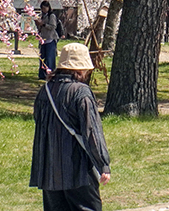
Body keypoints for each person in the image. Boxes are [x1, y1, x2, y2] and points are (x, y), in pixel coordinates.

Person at [31, 42, 111, 211]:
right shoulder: (81, 92)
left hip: (49, 167)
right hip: (77, 168)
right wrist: (103, 163)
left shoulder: (44, 90)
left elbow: (38, 121)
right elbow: (91, 131)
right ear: (81, 70)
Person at [38, 1, 63, 79]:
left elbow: (53, 26)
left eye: (45, 8)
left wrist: (44, 24)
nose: (44, 10)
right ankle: (42, 74)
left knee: (50, 57)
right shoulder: (42, 16)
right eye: (42, 8)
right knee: (42, 57)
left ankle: (51, 74)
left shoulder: (51, 16)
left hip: (51, 38)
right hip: (43, 38)